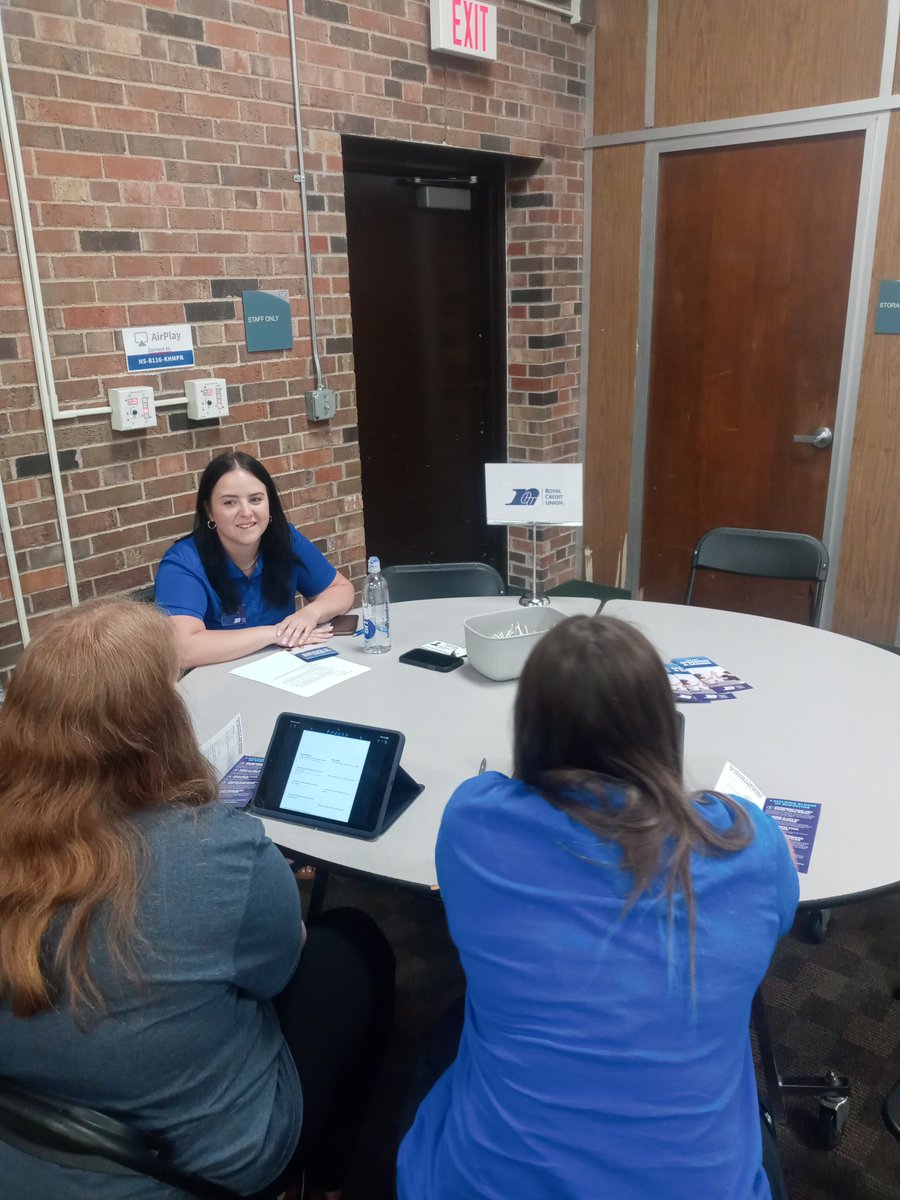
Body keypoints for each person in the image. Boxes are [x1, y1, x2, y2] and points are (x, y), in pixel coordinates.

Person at [0, 600, 394, 1200]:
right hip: (193, 1167)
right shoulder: (217, 848)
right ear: (159, 721)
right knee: (351, 946)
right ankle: (322, 1182)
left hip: (22, 1149)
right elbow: (281, 965)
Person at [397, 614, 798, 1200]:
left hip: (484, 1186)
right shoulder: (747, 843)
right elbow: (781, 917)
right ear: (664, 724)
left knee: (449, 1031)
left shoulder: (473, 821)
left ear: (529, 727)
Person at [155, 450, 355, 668]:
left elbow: (342, 589)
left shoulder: (286, 540)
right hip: (218, 683)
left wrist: (311, 613)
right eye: (230, 503)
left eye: (256, 499)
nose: (246, 512)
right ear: (209, 511)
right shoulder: (183, 562)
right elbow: (182, 649)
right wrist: (275, 633)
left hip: (287, 670)